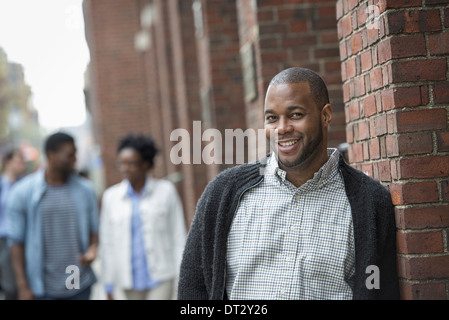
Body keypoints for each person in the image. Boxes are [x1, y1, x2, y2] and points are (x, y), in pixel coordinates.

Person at [177, 67, 399, 300]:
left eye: (295, 115)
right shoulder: (223, 194)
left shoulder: (369, 203)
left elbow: (379, 289)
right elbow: (193, 287)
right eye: (272, 118)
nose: (282, 128)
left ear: (325, 115)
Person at [6, 132, 99, 300]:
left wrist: (92, 249)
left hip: (76, 281)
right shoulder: (23, 193)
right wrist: (23, 286)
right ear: (51, 155)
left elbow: (93, 229)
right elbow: (16, 242)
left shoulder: (85, 190)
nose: (75, 159)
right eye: (70, 154)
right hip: (43, 287)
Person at [99, 133, 186, 300]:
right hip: (128, 281)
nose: (125, 168)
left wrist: (182, 277)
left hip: (161, 277)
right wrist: (108, 283)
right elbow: (107, 243)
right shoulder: (111, 197)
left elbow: (178, 236)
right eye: (121, 163)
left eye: (131, 164)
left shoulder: (166, 191)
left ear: (145, 164)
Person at [0, 148, 26, 300]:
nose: (22, 164)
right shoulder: (2, 185)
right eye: (19, 160)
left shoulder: (24, 184)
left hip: (23, 238)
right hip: (4, 239)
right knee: (9, 285)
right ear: (8, 163)